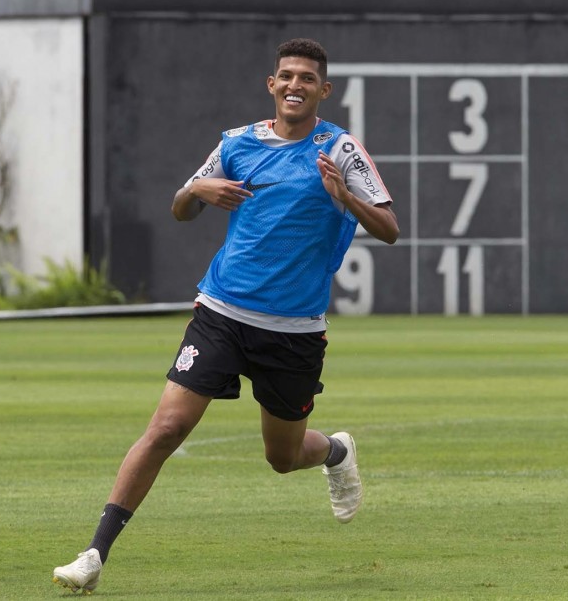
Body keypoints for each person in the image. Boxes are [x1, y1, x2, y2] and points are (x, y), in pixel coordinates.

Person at [52, 37, 398, 592]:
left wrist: (345, 196)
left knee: (283, 457)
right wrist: (196, 188)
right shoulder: (237, 143)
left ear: (323, 91)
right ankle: (93, 554)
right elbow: (181, 207)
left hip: (293, 331)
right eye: (286, 75)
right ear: (271, 84)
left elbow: (389, 228)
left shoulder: (341, 151)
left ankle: (335, 449)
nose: (294, 85)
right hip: (221, 313)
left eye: (307, 78)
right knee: (166, 427)